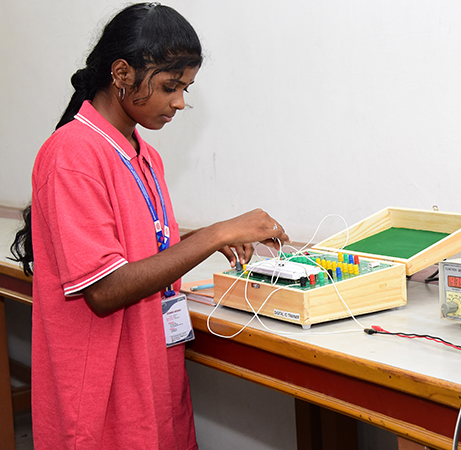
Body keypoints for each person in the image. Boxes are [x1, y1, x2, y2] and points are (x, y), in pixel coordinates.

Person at [8, 3, 289, 449]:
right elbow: (104, 290)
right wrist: (216, 234)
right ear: (122, 73)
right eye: (169, 86)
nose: (179, 102)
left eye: (185, 88)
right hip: (104, 391)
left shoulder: (143, 153)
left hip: (152, 371)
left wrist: (201, 240)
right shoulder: (73, 155)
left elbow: (139, 249)